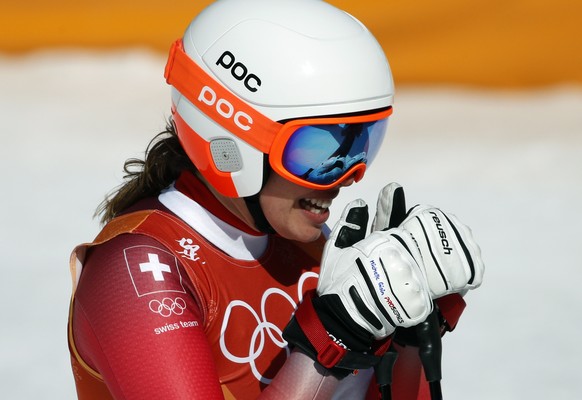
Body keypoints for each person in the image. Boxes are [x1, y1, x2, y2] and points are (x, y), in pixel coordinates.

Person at [67, 0, 484, 399]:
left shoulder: (314, 251)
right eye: (317, 152)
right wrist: (330, 343)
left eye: (362, 145)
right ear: (230, 141)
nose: (344, 178)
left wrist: (410, 336)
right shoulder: (133, 273)